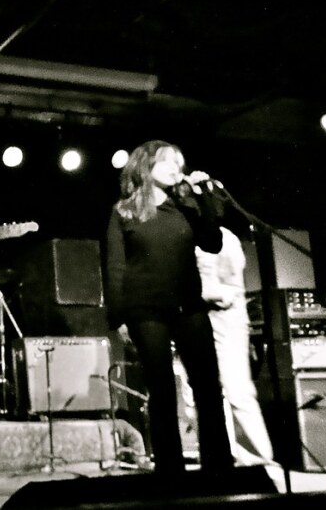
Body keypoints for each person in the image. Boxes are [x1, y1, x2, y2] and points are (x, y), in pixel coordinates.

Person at [104, 140, 234, 475]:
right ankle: (170, 469)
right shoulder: (124, 211)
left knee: (207, 384)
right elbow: (116, 267)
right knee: (161, 388)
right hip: (145, 309)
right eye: (167, 162)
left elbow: (213, 241)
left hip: (188, 304)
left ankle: (218, 465)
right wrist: (118, 317)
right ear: (145, 167)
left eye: (179, 162)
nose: (176, 168)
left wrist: (204, 195)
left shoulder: (186, 206)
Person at [196, 225, 274, 465]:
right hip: (200, 318)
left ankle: (260, 460)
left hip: (225, 317)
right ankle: (223, 456)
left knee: (237, 388)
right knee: (201, 392)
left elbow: (229, 288)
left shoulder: (223, 238)